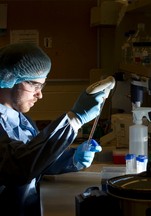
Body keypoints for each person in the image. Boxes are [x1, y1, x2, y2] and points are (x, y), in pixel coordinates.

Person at [0, 43, 106, 216]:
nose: (39, 94)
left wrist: (73, 159)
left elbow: (36, 157)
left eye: (42, 86)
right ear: (9, 78)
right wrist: (74, 119)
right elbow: (18, 166)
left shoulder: (21, 118)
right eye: (35, 85)